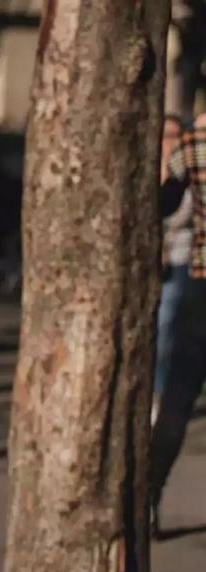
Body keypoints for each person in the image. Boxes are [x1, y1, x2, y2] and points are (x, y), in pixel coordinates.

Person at [151, 112, 206, 536]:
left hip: (202, 285)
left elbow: (165, 202)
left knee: (177, 400)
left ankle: (148, 492)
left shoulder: (194, 143)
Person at [152, 115, 192, 424]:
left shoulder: (184, 170)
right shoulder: (146, 166)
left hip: (177, 257)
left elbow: (181, 214)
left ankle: (158, 395)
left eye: (175, 135)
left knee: (166, 327)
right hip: (148, 259)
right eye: (165, 134)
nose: (169, 141)